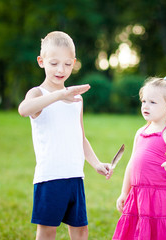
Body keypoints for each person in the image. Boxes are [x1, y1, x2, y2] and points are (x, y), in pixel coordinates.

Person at [18, 31, 113, 240]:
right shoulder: (38, 94)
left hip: (75, 176)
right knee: (47, 231)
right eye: (54, 63)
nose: (61, 70)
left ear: (74, 63)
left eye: (67, 64)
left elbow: (80, 136)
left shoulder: (76, 98)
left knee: (80, 230)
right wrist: (60, 94)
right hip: (50, 177)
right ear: (41, 62)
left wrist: (96, 163)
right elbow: (24, 110)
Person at [112, 74, 166, 240]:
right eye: (144, 101)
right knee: (137, 233)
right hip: (138, 196)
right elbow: (131, 165)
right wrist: (124, 193)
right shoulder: (141, 132)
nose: (145, 106)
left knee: (159, 234)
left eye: (152, 102)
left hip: (161, 199)